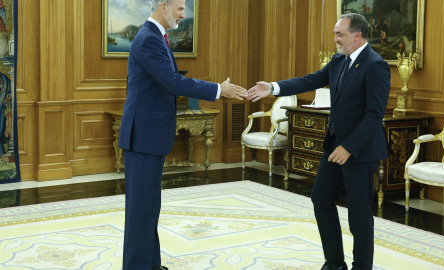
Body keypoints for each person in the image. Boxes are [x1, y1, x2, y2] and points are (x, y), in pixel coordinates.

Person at [247, 13, 391, 270]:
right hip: (334, 145)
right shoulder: (338, 61)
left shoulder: (375, 65)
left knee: (359, 216)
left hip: (359, 151)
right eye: (335, 33)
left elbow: (374, 115)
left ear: (357, 35)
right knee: (321, 199)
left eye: (340, 34)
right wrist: (272, 87)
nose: (335, 39)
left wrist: (349, 147)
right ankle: (334, 263)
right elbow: (310, 80)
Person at [118, 0, 247, 269]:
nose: (183, 14)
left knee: (148, 207)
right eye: (180, 8)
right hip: (143, 137)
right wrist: (217, 90)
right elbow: (173, 81)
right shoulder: (149, 39)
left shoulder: (156, 36)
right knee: (141, 210)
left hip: (148, 136)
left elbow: (168, 81)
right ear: (163, 6)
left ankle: (150, 264)